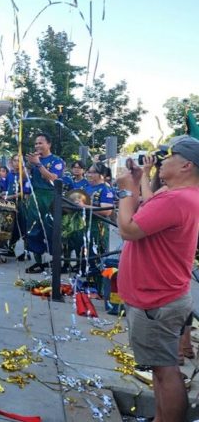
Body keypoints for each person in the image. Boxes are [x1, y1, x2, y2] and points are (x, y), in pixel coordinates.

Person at [117, 136, 199, 422]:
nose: (163, 159)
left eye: (170, 155)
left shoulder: (178, 198)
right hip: (161, 296)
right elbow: (150, 214)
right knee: (161, 368)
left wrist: (127, 192)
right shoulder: (178, 195)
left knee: (165, 371)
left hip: (156, 299)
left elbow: (128, 229)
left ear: (187, 165)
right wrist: (141, 180)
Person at [23, 133, 65, 273]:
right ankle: (38, 262)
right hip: (36, 196)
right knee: (33, 228)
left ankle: (56, 261)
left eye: (40, 143)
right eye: (36, 143)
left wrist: (38, 164)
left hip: (51, 197)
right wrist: (27, 166)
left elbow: (52, 178)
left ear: (49, 144)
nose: (37, 146)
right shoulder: (35, 160)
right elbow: (23, 177)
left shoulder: (57, 161)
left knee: (52, 228)